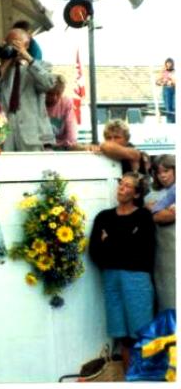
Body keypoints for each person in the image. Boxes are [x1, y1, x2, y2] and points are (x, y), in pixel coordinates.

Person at [89, 172, 156, 372]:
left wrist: (109, 241)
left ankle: (145, 380)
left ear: (136, 194)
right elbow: (95, 250)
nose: (121, 188)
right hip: (111, 278)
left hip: (136, 278)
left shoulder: (143, 216)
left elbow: (143, 250)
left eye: (127, 186)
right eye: (121, 184)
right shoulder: (104, 216)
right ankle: (129, 379)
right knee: (123, 336)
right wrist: (124, 241)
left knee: (140, 333)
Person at [0, 28, 55, 151]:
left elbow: (48, 84)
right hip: (6, 139)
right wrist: (4, 65)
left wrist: (28, 58)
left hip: (33, 138)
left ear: (26, 45)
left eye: (16, 44)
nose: (14, 48)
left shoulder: (40, 66)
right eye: (10, 44)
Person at [145, 154, 176, 312]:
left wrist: (156, 210)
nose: (162, 175)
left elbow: (166, 215)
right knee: (166, 296)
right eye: (158, 172)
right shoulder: (151, 195)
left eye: (166, 170)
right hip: (162, 253)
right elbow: (160, 217)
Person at [45, 74, 78, 150]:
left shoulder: (66, 103)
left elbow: (71, 130)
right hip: (43, 147)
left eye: (58, 94)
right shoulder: (38, 104)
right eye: (50, 94)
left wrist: (71, 144)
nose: (54, 98)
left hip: (63, 147)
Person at [155, 58, 175, 123]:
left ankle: (172, 122)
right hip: (166, 89)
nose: (168, 64)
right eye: (167, 63)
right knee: (167, 107)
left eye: (170, 63)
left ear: (172, 64)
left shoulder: (174, 71)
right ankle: (169, 122)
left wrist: (171, 81)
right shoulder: (164, 72)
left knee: (172, 107)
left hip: (173, 89)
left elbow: (175, 81)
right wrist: (162, 82)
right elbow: (157, 82)